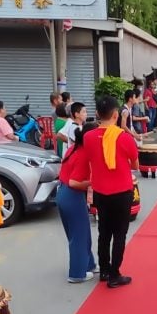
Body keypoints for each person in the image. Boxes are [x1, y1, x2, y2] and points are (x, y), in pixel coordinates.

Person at [84, 97, 138, 288]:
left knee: (104, 232)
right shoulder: (124, 138)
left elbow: (89, 160)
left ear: (97, 114)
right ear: (116, 114)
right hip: (122, 192)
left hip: (100, 192)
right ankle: (115, 274)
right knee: (119, 234)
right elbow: (135, 164)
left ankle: (105, 271)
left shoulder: (88, 137)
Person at [58, 122, 98, 284]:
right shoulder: (83, 155)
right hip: (72, 195)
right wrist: (92, 182)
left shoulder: (73, 148)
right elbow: (75, 182)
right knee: (79, 236)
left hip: (63, 194)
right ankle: (77, 273)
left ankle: (89, 264)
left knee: (82, 234)